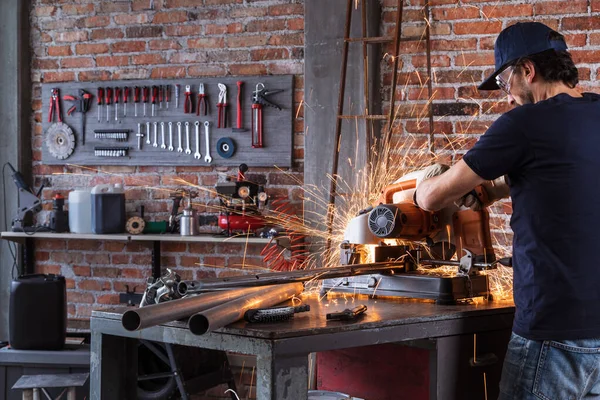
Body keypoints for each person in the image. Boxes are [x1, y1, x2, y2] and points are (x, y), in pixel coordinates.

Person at [414, 22, 600, 399]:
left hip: (551, 334)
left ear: (527, 71)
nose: (508, 97)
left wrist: (421, 187)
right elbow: (567, 173)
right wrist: (495, 190)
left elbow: (435, 198)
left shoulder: (524, 124)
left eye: (504, 83)